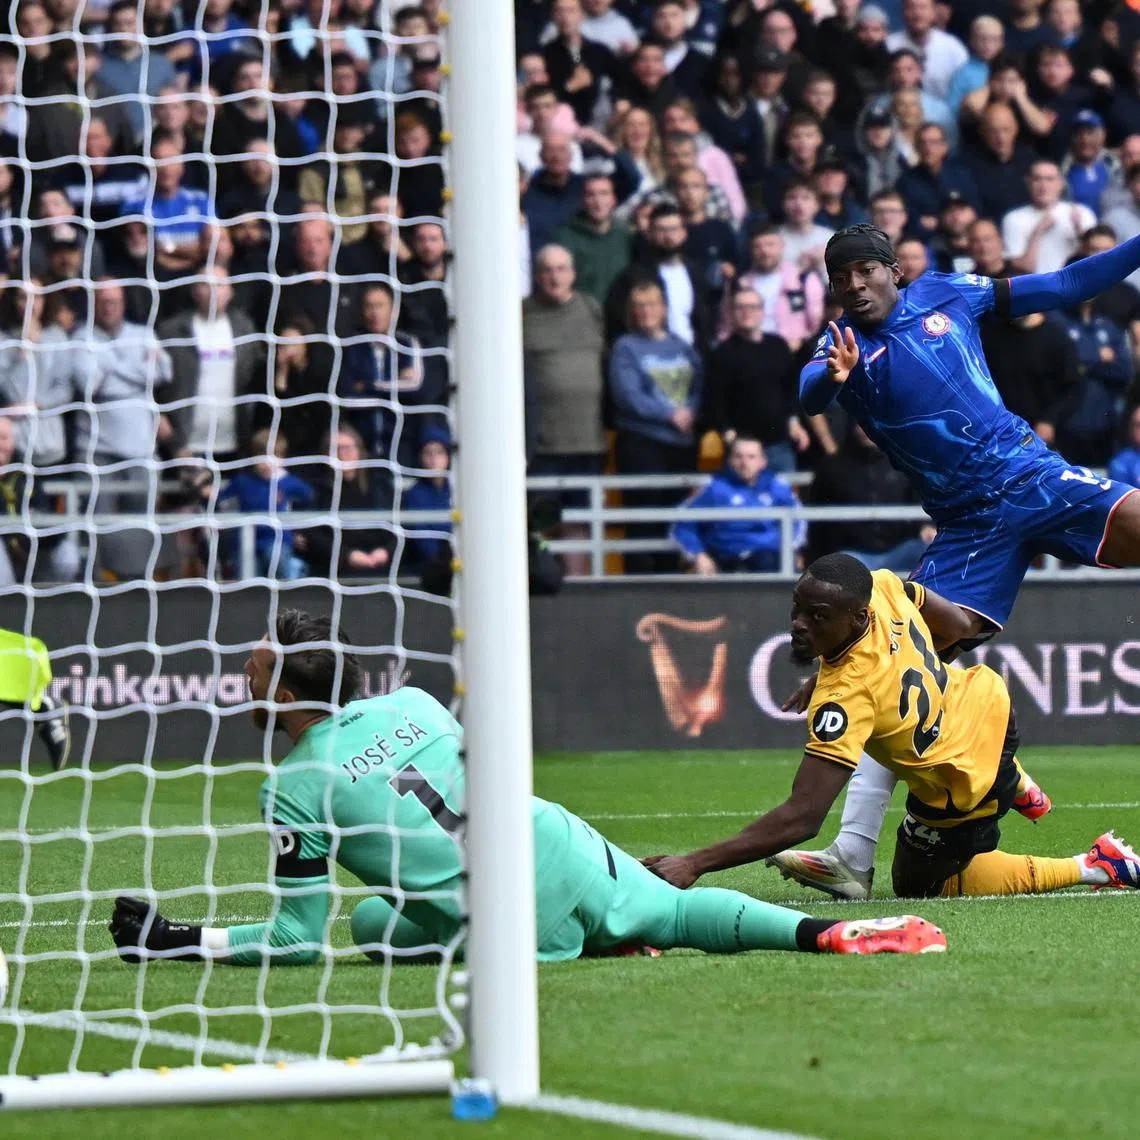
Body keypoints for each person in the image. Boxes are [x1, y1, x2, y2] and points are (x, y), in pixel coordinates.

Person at [107, 609, 947, 964]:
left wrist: (183, 940)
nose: (241, 677)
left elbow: (297, 941)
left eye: (253, 670)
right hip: (554, 837)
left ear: (286, 695)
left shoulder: (293, 784)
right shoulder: (413, 699)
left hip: (507, 919)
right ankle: (827, 936)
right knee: (681, 910)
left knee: (368, 921)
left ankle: (591, 939)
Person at [780, 220, 1140, 900]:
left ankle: (1002, 779)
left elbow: (1064, 283)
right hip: (973, 527)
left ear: (893, 270)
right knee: (890, 664)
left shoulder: (948, 293)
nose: (854, 286)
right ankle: (853, 854)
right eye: (841, 278)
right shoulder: (840, 346)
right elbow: (807, 392)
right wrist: (830, 381)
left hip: (1036, 478)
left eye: (865, 271)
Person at [643, 555, 1140, 899]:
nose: (798, 624)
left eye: (816, 617)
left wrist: (695, 863)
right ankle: (1011, 785)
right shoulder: (879, 584)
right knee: (881, 736)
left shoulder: (846, 696)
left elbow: (801, 816)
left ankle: (1095, 864)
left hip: (960, 778)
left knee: (922, 886)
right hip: (985, 701)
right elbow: (957, 625)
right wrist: (845, 666)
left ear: (855, 616)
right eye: (797, 608)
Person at [672, 436, 801, 574]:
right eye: (738, 456)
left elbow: (799, 522)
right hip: (722, 556)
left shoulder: (777, 486)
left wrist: (790, 550)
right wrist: (698, 555)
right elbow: (682, 524)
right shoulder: (713, 487)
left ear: (762, 462)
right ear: (729, 460)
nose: (744, 463)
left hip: (769, 557)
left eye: (751, 457)